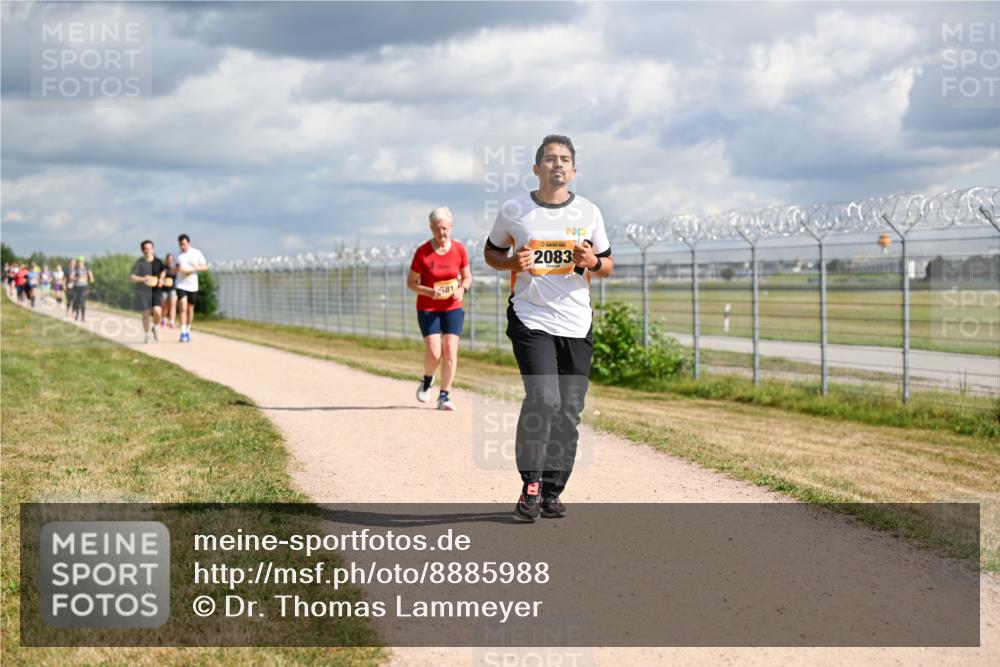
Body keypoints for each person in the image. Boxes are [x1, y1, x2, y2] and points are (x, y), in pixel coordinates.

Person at [484, 134, 613, 522]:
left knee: (569, 410)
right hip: (531, 317)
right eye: (551, 158)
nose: (558, 164)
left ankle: (553, 491)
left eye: (565, 159)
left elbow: (607, 265)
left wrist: (592, 262)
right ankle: (532, 483)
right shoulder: (515, 210)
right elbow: (492, 252)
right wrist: (512, 264)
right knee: (544, 399)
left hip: (576, 322)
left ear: (573, 170)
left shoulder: (589, 212)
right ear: (537, 168)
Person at [407, 207, 472, 411]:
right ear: (431, 228)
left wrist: (462, 289)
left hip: (453, 306)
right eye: (436, 228)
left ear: (451, 227)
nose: (441, 232)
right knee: (434, 352)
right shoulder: (423, 252)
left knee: (450, 350)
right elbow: (411, 283)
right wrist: (429, 291)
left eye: (444, 228)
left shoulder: (459, 249)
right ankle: (427, 380)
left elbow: (467, 277)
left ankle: (444, 396)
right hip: (428, 306)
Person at [130, 240, 166, 343]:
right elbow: (132, 277)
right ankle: (147, 334)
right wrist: (143, 279)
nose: (148, 250)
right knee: (146, 313)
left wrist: (161, 279)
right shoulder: (139, 263)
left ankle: (156, 326)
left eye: (150, 248)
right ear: (143, 250)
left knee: (157, 311)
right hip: (143, 291)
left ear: (153, 249)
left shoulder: (158, 261)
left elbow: (163, 271)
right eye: (146, 248)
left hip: (156, 290)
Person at [175, 234, 208, 343]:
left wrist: (194, 268)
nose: (182, 246)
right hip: (180, 284)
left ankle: (188, 329)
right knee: (182, 306)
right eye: (180, 244)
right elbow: (173, 269)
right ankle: (183, 331)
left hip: (192, 285)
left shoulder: (196, 253)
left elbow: (205, 267)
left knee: (190, 309)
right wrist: (179, 270)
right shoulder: (177, 255)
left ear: (189, 243)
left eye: (184, 244)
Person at [72, 256, 94, 322]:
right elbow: (71, 277)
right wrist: (77, 278)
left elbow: (92, 279)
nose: (80, 263)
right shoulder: (75, 269)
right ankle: (77, 314)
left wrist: (90, 278)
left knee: (82, 302)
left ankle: (83, 317)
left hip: (85, 288)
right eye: (78, 262)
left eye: (81, 262)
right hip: (77, 288)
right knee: (76, 302)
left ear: (83, 262)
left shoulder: (87, 269)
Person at [160, 253, 178, 328]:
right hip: (164, 289)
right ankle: (163, 320)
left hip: (172, 289)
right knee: (164, 306)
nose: (170, 261)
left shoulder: (175, 268)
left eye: (171, 259)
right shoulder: (163, 267)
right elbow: (161, 276)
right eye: (169, 259)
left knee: (173, 305)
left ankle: (172, 322)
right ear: (166, 260)